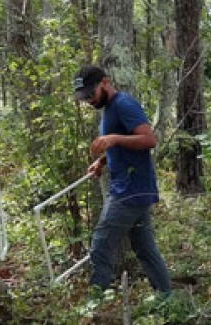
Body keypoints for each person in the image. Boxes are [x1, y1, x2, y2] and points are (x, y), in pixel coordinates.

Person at [72, 66, 171, 297]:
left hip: (129, 191)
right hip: (134, 190)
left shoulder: (124, 104)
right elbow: (123, 144)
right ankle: (166, 298)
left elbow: (148, 140)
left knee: (100, 246)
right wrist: (103, 161)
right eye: (84, 97)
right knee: (145, 248)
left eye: (91, 93)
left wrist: (113, 139)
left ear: (105, 82)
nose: (88, 100)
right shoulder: (109, 108)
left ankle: (92, 305)